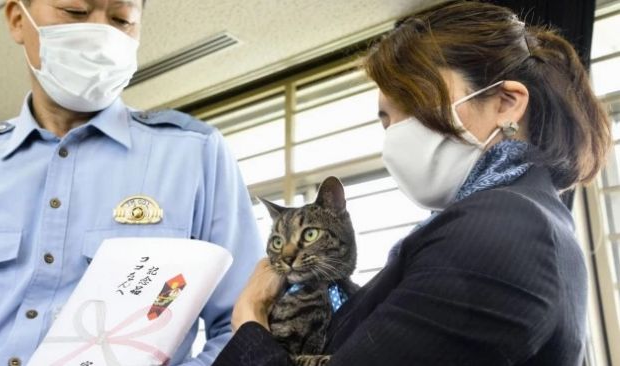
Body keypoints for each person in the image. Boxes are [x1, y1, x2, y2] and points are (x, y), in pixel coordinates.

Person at [213, 1, 612, 365]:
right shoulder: (517, 216)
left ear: (506, 103)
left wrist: (249, 319)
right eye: (387, 119)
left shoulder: (505, 228)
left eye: (414, 102)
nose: (397, 134)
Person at [0, 1, 263, 365]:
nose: (101, 33)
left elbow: (246, 323)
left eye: (121, 20)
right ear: (17, 19)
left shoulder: (194, 153)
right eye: (74, 11)